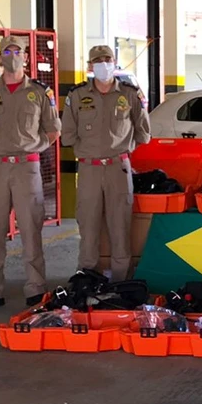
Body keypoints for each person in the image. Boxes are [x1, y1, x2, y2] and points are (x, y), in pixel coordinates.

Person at [0, 39, 61, 313]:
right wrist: (0, 146)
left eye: (17, 51)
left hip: (26, 168)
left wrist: (31, 147)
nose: (12, 56)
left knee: (31, 230)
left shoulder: (40, 92)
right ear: (0, 57)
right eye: (6, 51)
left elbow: (53, 130)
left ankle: (36, 288)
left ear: (26, 57)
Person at [61, 46, 151, 281]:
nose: (103, 64)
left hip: (118, 168)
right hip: (89, 168)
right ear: (90, 66)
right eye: (98, 60)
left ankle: (121, 280)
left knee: (120, 226)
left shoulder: (130, 95)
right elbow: (67, 135)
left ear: (115, 61)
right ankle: (86, 277)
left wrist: (122, 148)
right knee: (88, 225)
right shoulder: (77, 96)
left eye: (107, 59)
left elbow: (143, 133)